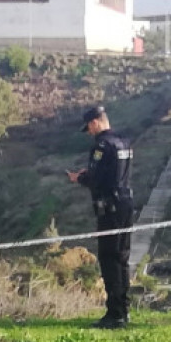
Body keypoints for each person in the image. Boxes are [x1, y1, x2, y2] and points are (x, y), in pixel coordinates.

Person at [67, 105, 134, 329]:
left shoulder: (102, 146)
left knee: (109, 259)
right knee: (123, 258)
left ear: (95, 122)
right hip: (125, 203)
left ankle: (115, 314)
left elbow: (97, 179)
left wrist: (79, 178)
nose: (89, 133)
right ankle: (124, 309)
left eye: (89, 128)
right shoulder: (123, 141)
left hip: (109, 208)